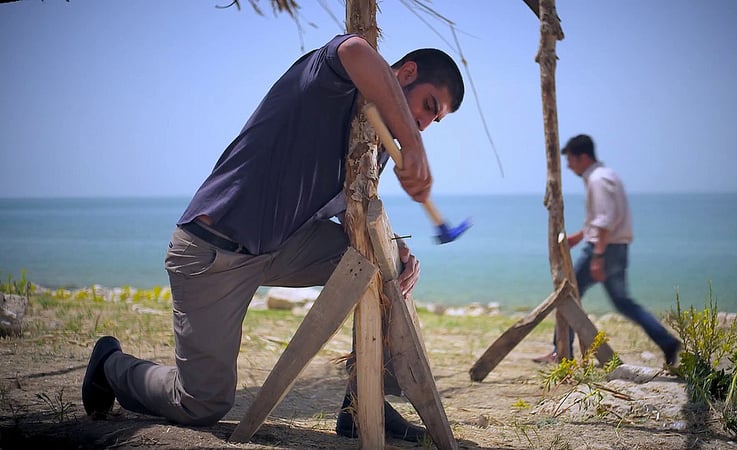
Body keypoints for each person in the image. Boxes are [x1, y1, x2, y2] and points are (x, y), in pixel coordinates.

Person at [81, 33, 465, 443]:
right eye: (428, 107)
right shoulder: (330, 80)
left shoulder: (377, 140)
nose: (424, 124)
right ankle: (110, 365)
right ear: (406, 73)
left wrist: (394, 246)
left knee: (386, 267)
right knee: (201, 405)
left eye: (433, 121)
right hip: (213, 251)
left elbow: (340, 209)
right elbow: (354, 50)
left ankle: (362, 402)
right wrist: (414, 141)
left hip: (282, 247)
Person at [533, 134, 680, 366]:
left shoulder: (598, 180)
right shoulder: (607, 176)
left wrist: (597, 256)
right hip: (617, 248)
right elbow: (602, 218)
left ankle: (560, 352)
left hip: (603, 250)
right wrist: (580, 237)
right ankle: (667, 342)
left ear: (583, 157)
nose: (569, 166)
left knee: (568, 295)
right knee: (623, 302)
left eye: (571, 160)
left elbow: (605, 220)